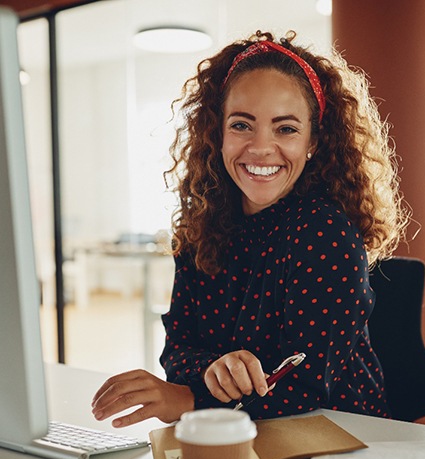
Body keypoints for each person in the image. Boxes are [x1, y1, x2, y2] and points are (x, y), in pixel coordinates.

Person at [92, 30, 408, 428]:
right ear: (218, 133)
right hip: (239, 433)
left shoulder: (326, 231)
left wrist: (191, 399)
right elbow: (178, 349)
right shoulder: (201, 225)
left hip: (338, 434)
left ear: (314, 140)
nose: (261, 148)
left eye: (286, 129)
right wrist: (212, 370)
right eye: (242, 125)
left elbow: (306, 386)